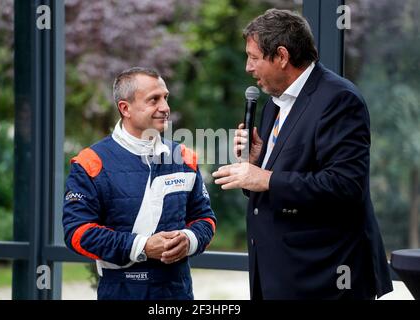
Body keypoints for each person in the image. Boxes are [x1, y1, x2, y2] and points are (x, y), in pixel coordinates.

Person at [212, 9, 393, 299]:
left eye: (254, 57)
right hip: (279, 274)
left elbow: (346, 186)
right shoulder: (274, 102)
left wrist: (266, 178)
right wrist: (260, 161)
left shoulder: (339, 99)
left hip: (325, 277)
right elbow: (286, 174)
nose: (248, 67)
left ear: (281, 56)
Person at [63, 67, 216, 300]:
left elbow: (205, 219)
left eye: (165, 97)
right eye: (154, 99)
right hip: (121, 292)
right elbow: (77, 232)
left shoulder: (185, 157)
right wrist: (143, 247)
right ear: (125, 108)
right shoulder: (90, 162)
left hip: (178, 293)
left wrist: (189, 240)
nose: (165, 107)